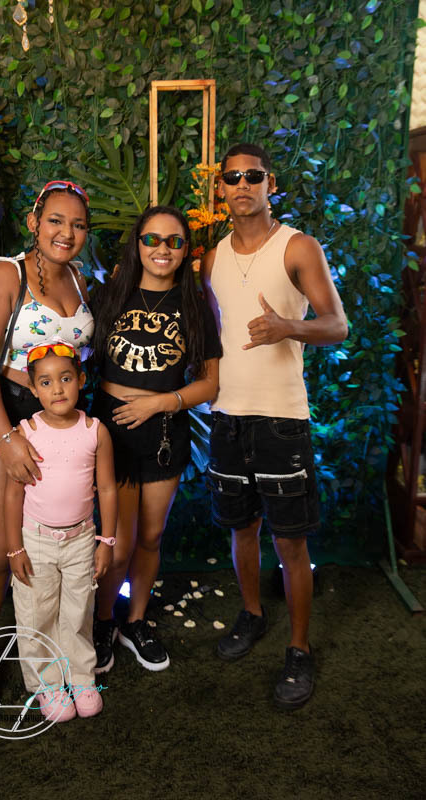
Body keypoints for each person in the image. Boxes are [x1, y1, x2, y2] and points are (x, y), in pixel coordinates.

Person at [200, 143, 348, 710]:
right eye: (232, 176)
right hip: (226, 417)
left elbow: (337, 324)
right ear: (220, 188)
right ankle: (252, 614)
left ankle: (299, 648)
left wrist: (289, 326)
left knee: (290, 540)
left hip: (282, 418)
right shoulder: (211, 258)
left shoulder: (297, 246)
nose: (242, 184)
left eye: (253, 176)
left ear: (270, 183)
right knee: (241, 529)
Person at [0, 180, 94, 712]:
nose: (67, 233)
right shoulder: (6, 273)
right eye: (56, 220)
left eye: (78, 224)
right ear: (34, 222)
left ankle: (59, 655)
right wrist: (6, 438)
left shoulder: (80, 279)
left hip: (60, 426)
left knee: (51, 547)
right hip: (8, 417)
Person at [91, 205, 222, 672]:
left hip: (165, 429)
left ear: (185, 251)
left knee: (151, 535)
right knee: (119, 542)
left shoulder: (195, 306)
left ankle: (135, 622)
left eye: (174, 241)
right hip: (114, 430)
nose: (162, 249)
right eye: (152, 239)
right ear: (137, 245)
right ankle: (103, 621)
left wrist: (159, 403)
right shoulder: (110, 296)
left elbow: (210, 384)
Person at [4, 341, 116, 720]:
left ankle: (81, 678)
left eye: (66, 379)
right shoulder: (26, 432)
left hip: (81, 539)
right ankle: (48, 684)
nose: (57, 389)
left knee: (78, 612)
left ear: (81, 380)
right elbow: (13, 494)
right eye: (46, 382)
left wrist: (106, 541)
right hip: (36, 539)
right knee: (37, 613)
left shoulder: (95, 431)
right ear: (33, 389)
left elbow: (108, 489)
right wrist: (15, 549)